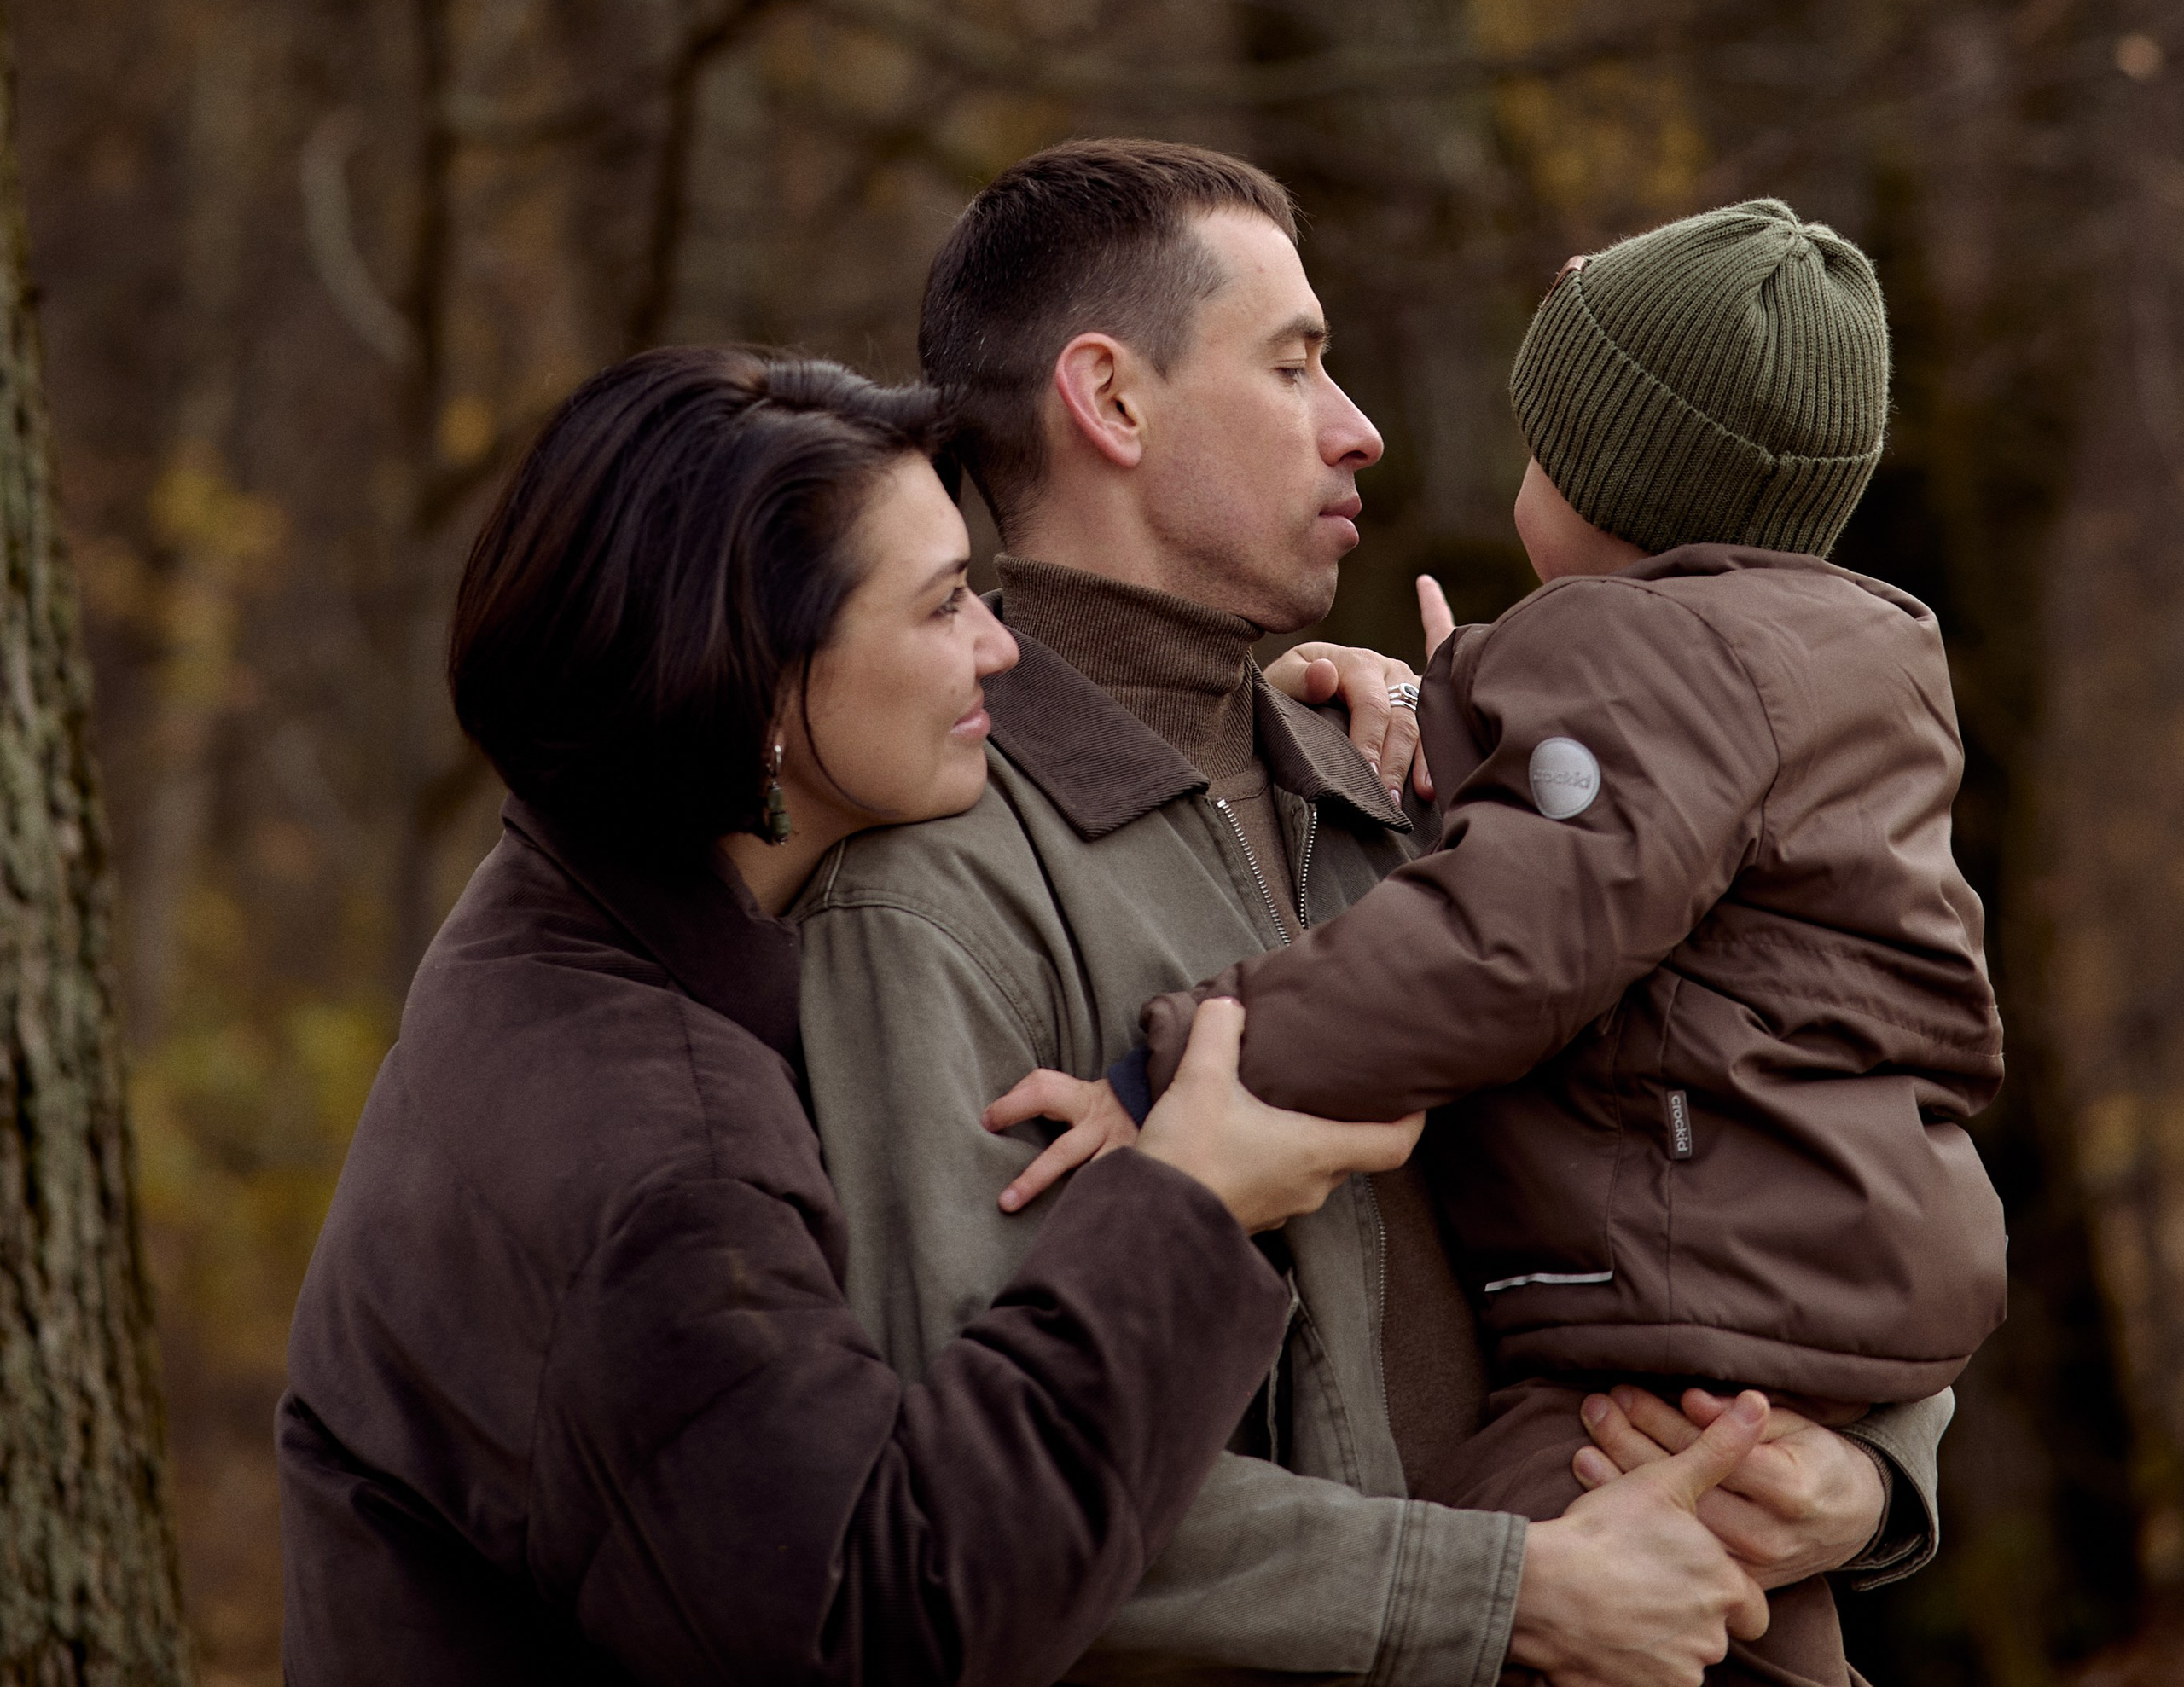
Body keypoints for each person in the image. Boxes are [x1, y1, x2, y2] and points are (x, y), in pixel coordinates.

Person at [791, 142, 1950, 1687]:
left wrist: (1871, 1478)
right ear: (1111, 400)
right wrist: (1505, 1589)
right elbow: (965, 1509)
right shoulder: (933, 897)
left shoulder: (1415, 798)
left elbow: (1790, 1134)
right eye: (1296, 366)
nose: (1364, 427)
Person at [276, 345, 1437, 1687]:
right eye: (945, 606)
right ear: (759, 678)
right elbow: (883, 1619)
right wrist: (1182, 1206)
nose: (1000, 645)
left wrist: (1278, 728)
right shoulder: (660, 1159)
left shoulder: (559, 925)